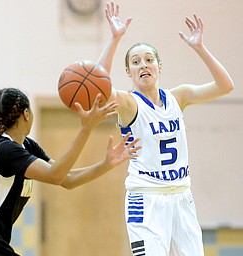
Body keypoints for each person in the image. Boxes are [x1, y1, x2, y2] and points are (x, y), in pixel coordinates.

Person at [96, 2, 234, 255]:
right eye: (136, 62)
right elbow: (98, 89)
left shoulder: (178, 97)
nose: (143, 65)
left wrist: (200, 48)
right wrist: (115, 39)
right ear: (128, 71)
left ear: (159, 66)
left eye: (149, 60)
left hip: (182, 196)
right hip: (146, 198)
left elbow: (225, 86)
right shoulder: (129, 103)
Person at [0, 87, 141, 256]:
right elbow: (56, 175)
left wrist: (107, 164)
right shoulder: (4, 150)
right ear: (27, 114)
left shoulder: (25, 145)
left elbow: (66, 178)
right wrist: (86, 129)